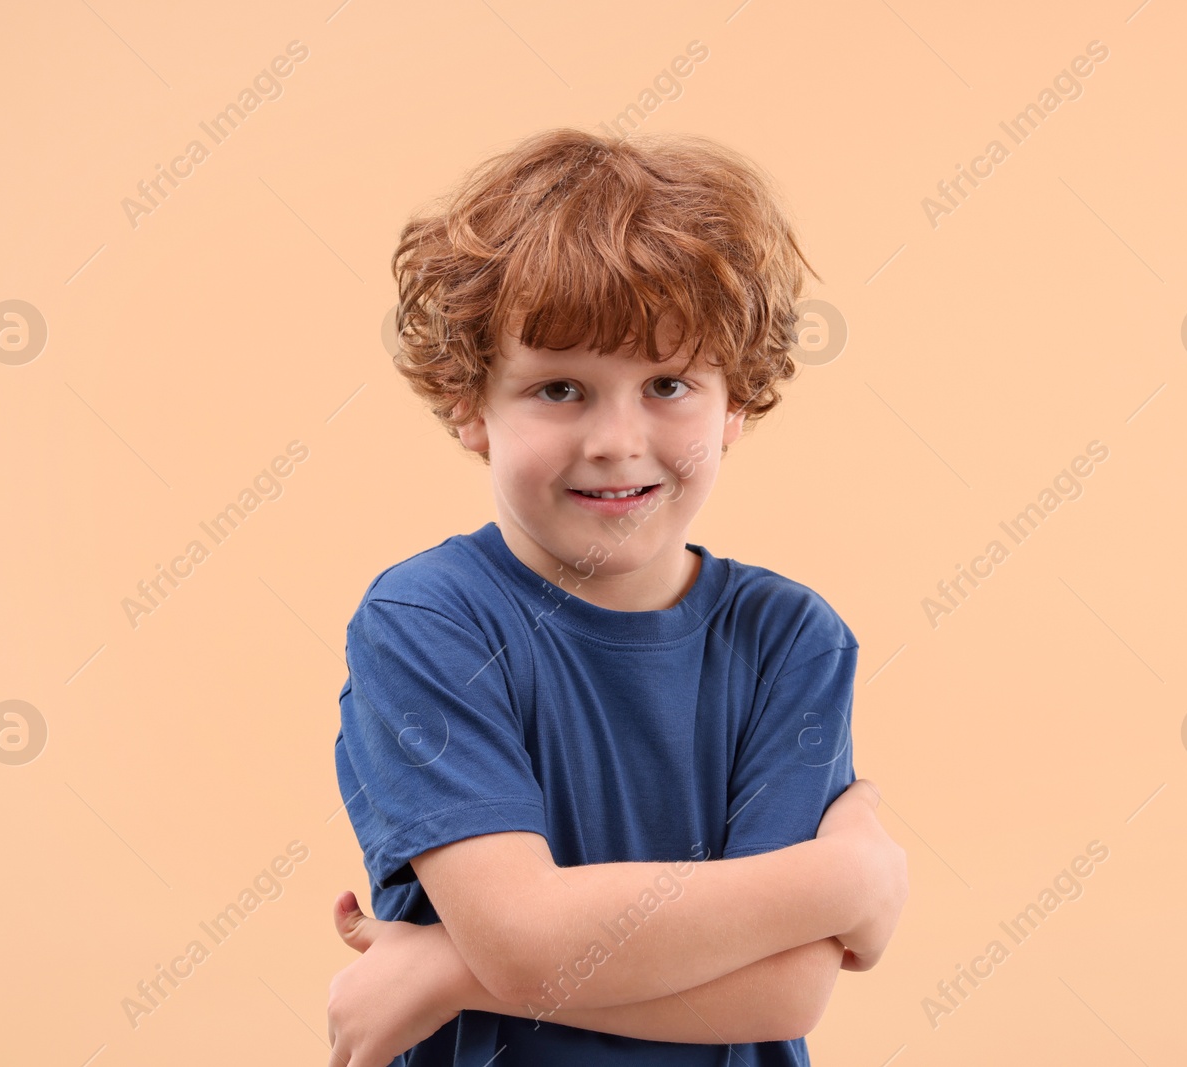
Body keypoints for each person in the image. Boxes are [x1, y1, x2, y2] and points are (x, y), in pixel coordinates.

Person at [328, 126, 908, 1066]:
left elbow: (787, 990)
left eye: (669, 383)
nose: (615, 439)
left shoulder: (789, 638)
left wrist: (445, 972)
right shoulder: (428, 623)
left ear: (737, 405)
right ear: (471, 404)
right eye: (560, 388)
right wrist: (846, 876)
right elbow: (525, 940)